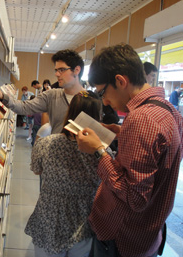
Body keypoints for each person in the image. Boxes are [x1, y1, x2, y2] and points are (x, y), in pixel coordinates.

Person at [76, 44, 183, 257]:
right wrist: (122, 132)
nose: (104, 101)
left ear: (120, 81)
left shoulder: (140, 118)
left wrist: (98, 150)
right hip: (147, 235)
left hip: (121, 238)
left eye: (103, 92)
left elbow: (134, 197)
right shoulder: (169, 110)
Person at [25, 91, 102, 257]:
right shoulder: (102, 153)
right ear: (97, 117)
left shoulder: (45, 143)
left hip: (48, 217)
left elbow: (37, 170)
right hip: (83, 222)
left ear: (69, 113)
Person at [0, 49, 85, 134]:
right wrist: (2, 96)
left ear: (76, 70)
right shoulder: (52, 96)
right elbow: (25, 106)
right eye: (56, 70)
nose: (56, 74)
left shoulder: (92, 100)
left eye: (62, 70)